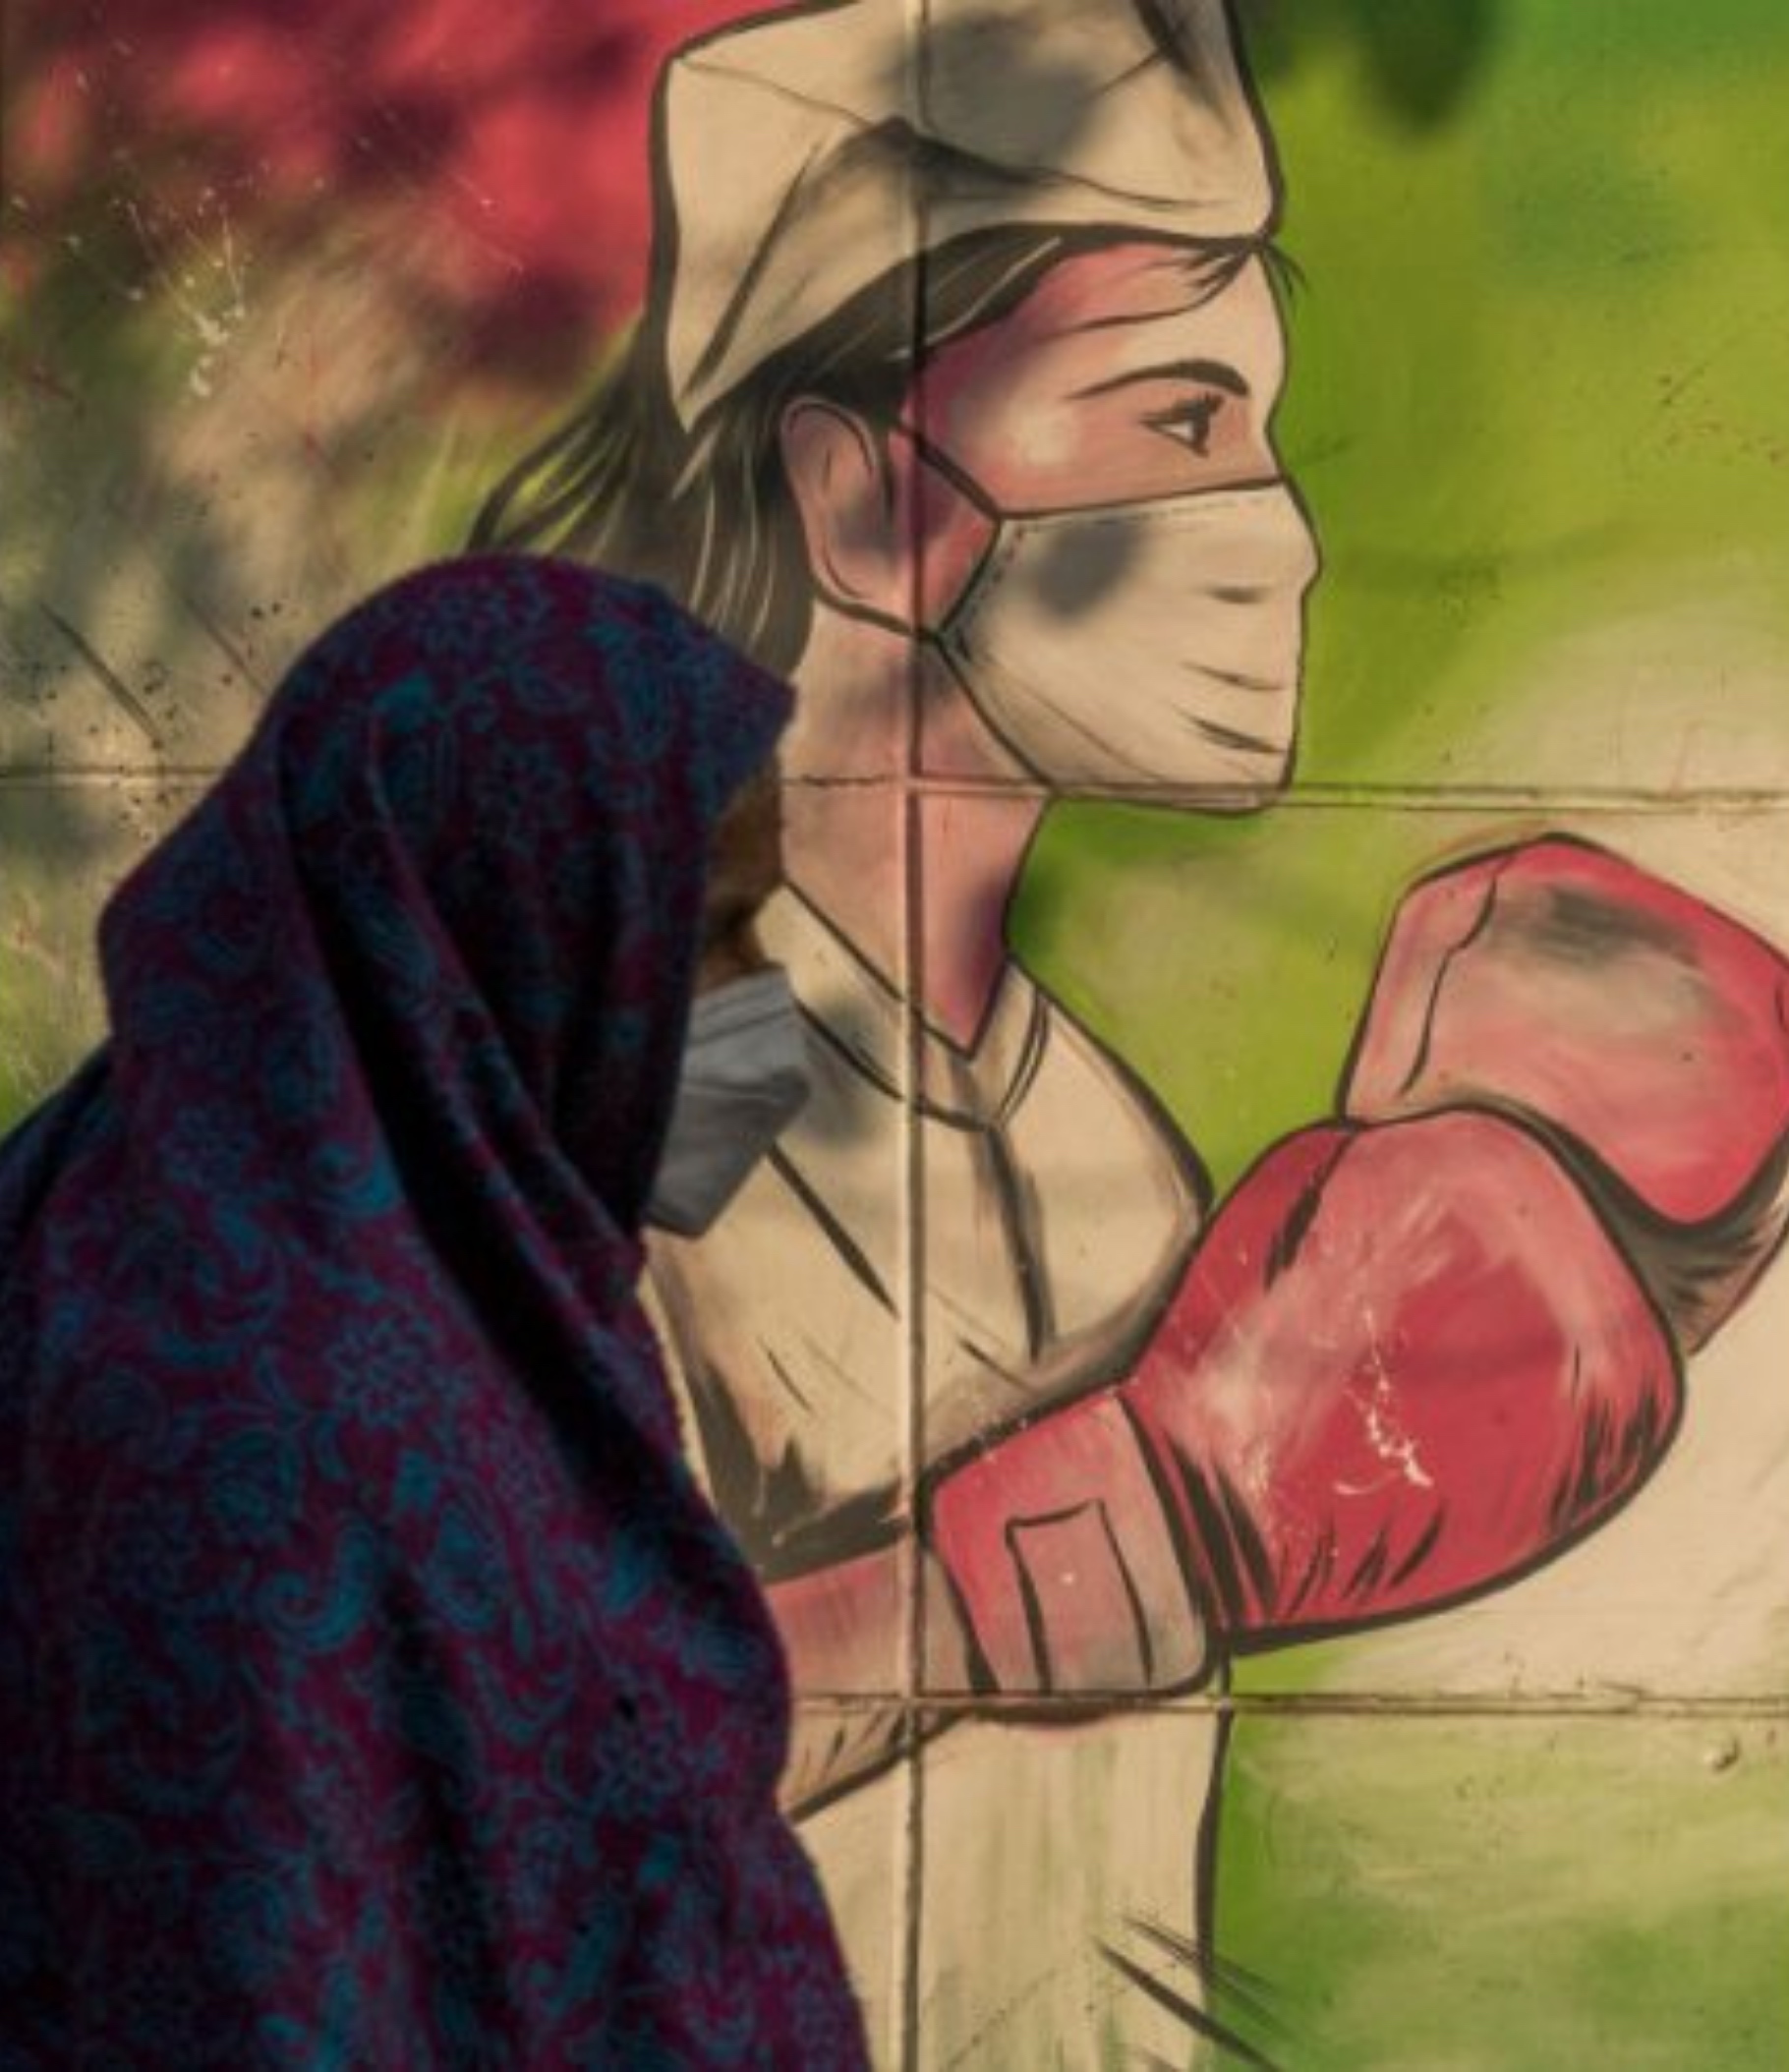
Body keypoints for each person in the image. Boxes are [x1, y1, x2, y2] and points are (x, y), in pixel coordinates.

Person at [473, 2, 1789, 2063]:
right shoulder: (620, 1097)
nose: (1281, 538)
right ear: (870, 508)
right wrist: (1113, 1538)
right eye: (1178, 422)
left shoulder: (1112, 1148)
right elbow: (481, 1800)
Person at [0, 554, 870, 2068]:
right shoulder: (286, 1429)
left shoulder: (255, 1236)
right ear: (513, 910)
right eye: (716, 931)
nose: (755, 1001)